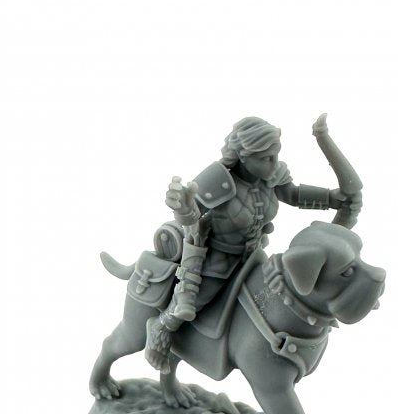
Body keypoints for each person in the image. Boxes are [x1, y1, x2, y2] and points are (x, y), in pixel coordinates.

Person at [144, 116, 361, 372]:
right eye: (266, 158)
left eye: (276, 155)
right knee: (192, 302)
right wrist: (182, 207)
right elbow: (193, 214)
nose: (274, 164)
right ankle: (161, 328)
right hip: (218, 259)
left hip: (254, 256)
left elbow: (293, 194)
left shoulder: (272, 176)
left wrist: (331, 199)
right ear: (244, 156)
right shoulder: (218, 179)